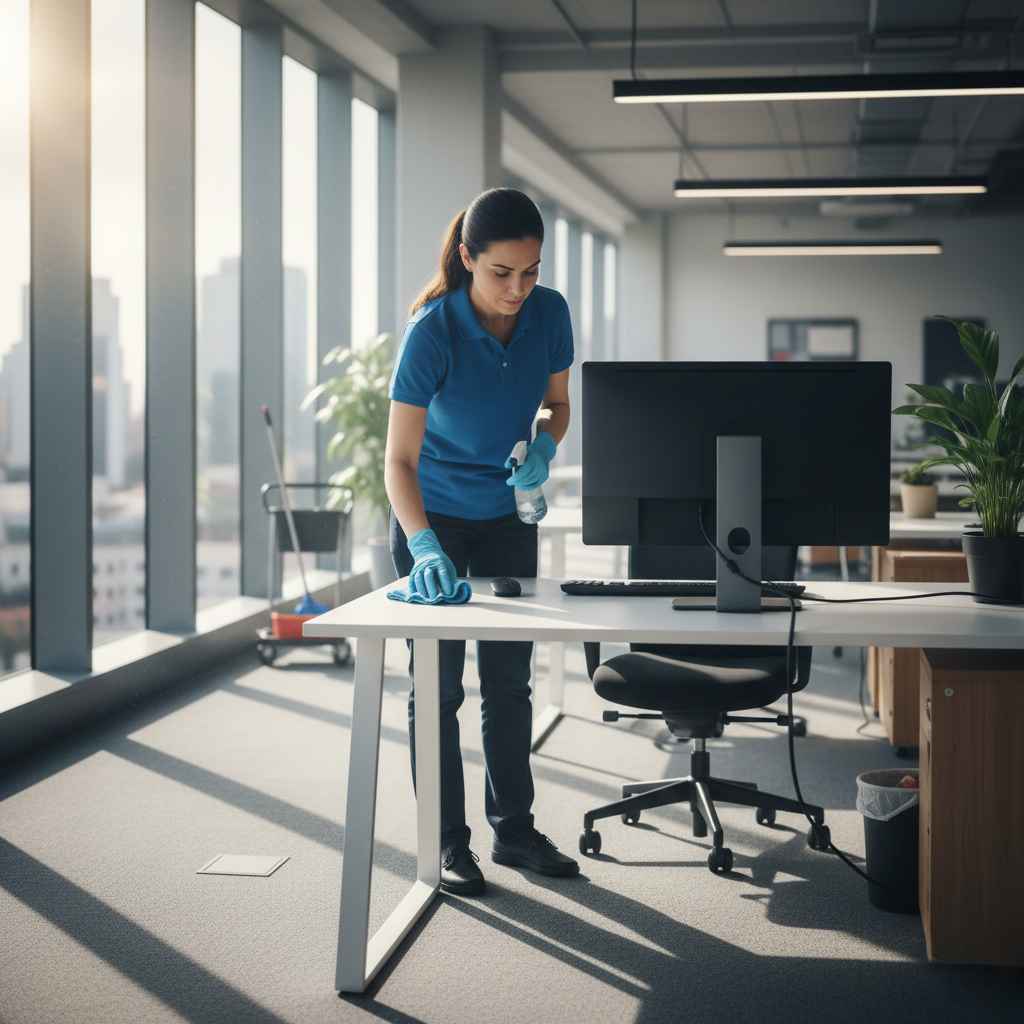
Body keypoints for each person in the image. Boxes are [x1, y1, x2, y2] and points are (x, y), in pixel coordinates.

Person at [385, 187, 578, 896]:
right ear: (467, 259)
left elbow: (558, 406)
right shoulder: (430, 334)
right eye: (502, 273)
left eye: (530, 272)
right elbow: (397, 463)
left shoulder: (548, 313)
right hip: (431, 515)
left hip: (504, 511)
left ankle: (514, 832)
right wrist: (425, 545)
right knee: (436, 689)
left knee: (508, 680)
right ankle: (444, 842)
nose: (518, 289)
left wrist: (544, 448)